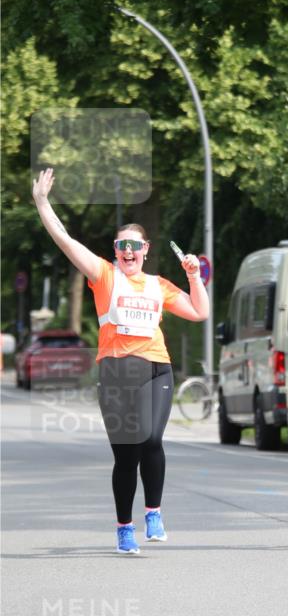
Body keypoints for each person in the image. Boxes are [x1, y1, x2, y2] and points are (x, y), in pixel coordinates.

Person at [32, 168, 209, 554]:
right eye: (122, 245)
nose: (128, 252)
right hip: (115, 374)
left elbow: (199, 312)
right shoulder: (104, 276)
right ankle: (124, 527)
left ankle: (154, 513)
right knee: (126, 456)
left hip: (154, 369)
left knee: (152, 438)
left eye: (135, 246)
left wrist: (195, 277)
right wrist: (43, 202)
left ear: (146, 250)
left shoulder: (159, 285)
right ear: (115, 251)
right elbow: (65, 240)